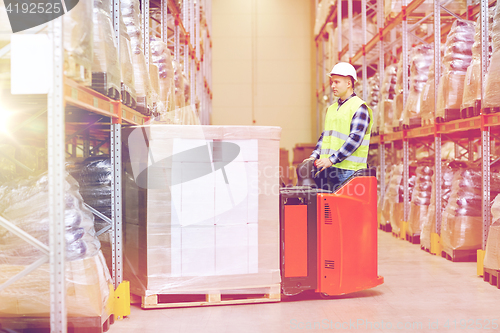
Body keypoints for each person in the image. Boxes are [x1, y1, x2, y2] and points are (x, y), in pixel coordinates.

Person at [304, 62, 373, 191]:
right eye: (332, 82)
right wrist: (314, 156)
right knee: (329, 209)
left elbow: (355, 140)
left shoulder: (359, 108)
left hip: (350, 171)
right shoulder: (331, 109)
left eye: (337, 82)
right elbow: (325, 136)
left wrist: (331, 159)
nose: (332, 86)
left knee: (348, 210)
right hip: (331, 170)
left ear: (349, 83)